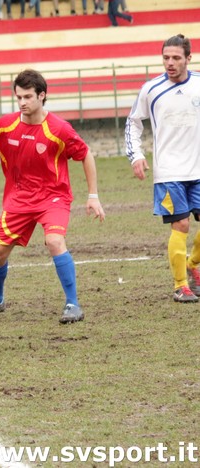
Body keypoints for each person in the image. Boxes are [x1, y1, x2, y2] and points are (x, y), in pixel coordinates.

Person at [0, 69, 105, 324]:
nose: (22, 102)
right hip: (18, 198)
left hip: (52, 197)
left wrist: (93, 195)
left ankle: (72, 304)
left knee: (55, 241)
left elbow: (86, 154)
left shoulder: (59, 129)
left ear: (42, 96)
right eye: (19, 97)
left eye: (28, 97)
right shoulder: (6, 124)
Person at [125, 34, 200, 303]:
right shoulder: (151, 89)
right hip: (169, 171)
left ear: (188, 59)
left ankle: (192, 265)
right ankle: (181, 285)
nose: (170, 62)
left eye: (176, 58)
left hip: (198, 169)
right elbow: (133, 122)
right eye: (166, 57)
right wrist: (135, 155)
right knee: (180, 224)